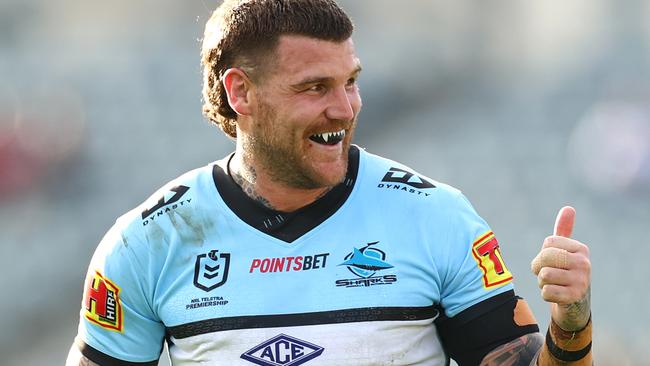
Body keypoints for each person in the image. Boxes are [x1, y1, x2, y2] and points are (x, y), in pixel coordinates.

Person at [66, 0, 592, 365]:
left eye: (351, 82)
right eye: (315, 87)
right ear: (240, 93)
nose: (344, 108)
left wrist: (571, 321)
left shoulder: (436, 217)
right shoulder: (148, 240)